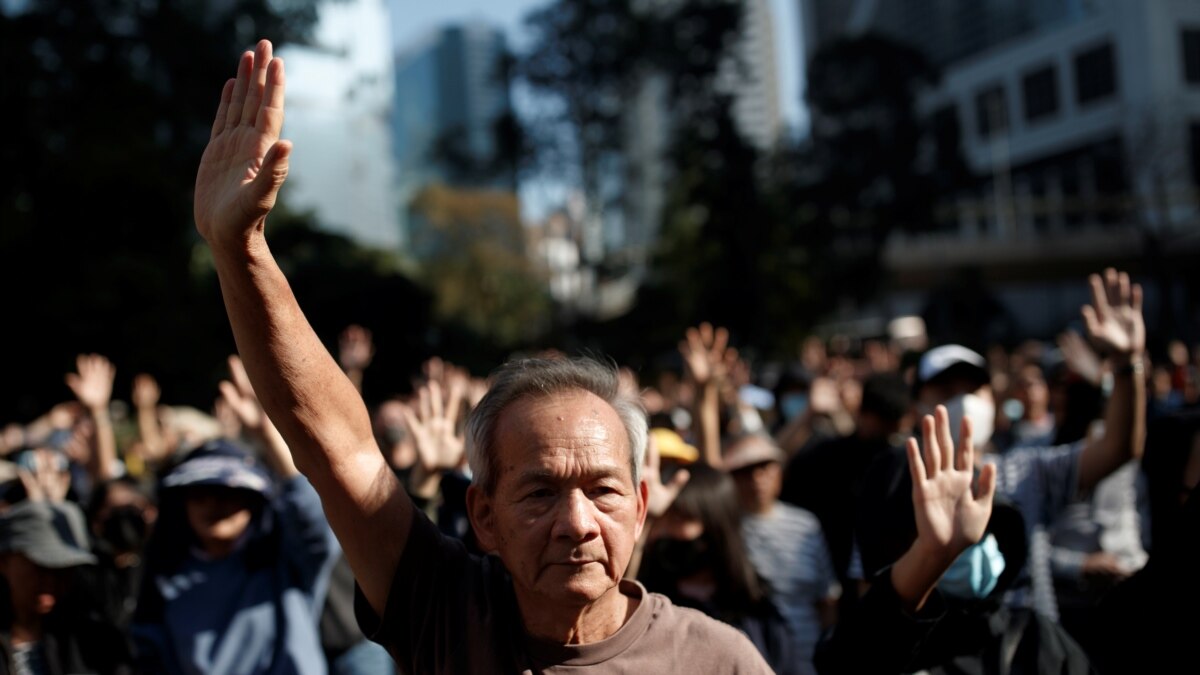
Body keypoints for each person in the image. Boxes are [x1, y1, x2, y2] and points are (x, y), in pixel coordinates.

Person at [192, 40, 770, 673]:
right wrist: (239, 250)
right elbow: (338, 448)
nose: (576, 524)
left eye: (603, 491)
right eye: (539, 494)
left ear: (640, 502)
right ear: (483, 515)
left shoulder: (719, 660)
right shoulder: (443, 608)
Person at [855, 269, 1146, 620]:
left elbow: (1118, 448)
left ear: (992, 398)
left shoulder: (1026, 470)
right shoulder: (892, 485)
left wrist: (1127, 365)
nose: (963, 402)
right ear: (918, 407)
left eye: (973, 390)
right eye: (946, 392)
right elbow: (868, 592)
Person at [637, 464, 796, 672]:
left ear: (714, 525)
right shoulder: (645, 602)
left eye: (680, 517)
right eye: (661, 518)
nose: (667, 529)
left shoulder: (758, 612)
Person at [725, 435, 840, 675]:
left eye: (765, 468)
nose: (757, 479)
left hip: (808, 657)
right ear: (732, 479)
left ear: (779, 472)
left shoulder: (806, 525)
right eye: (746, 471)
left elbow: (827, 599)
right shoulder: (726, 529)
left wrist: (829, 653)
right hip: (750, 659)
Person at [0, 501, 133, 674]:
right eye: (40, 567)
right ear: (4, 561)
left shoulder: (95, 644)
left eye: (64, 571)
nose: (51, 582)